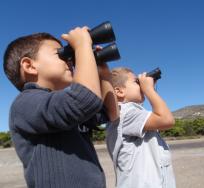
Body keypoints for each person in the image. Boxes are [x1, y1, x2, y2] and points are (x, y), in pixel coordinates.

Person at [3, 26, 118, 188]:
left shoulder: (63, 106)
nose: (69, 60)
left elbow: (109, 114)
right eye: (61, 54)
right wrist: (82, 46)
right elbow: (85, 100)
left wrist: (103, 73)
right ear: (29, 66)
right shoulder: (25, 103)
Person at [106, 67, 176, 188]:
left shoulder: (133, 113)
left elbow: (159, 116)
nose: (141, 85)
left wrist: (150, 89)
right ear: (119, 91)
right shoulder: (125, 113)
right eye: (136, 82)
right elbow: (166, 120)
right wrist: (149, 89)